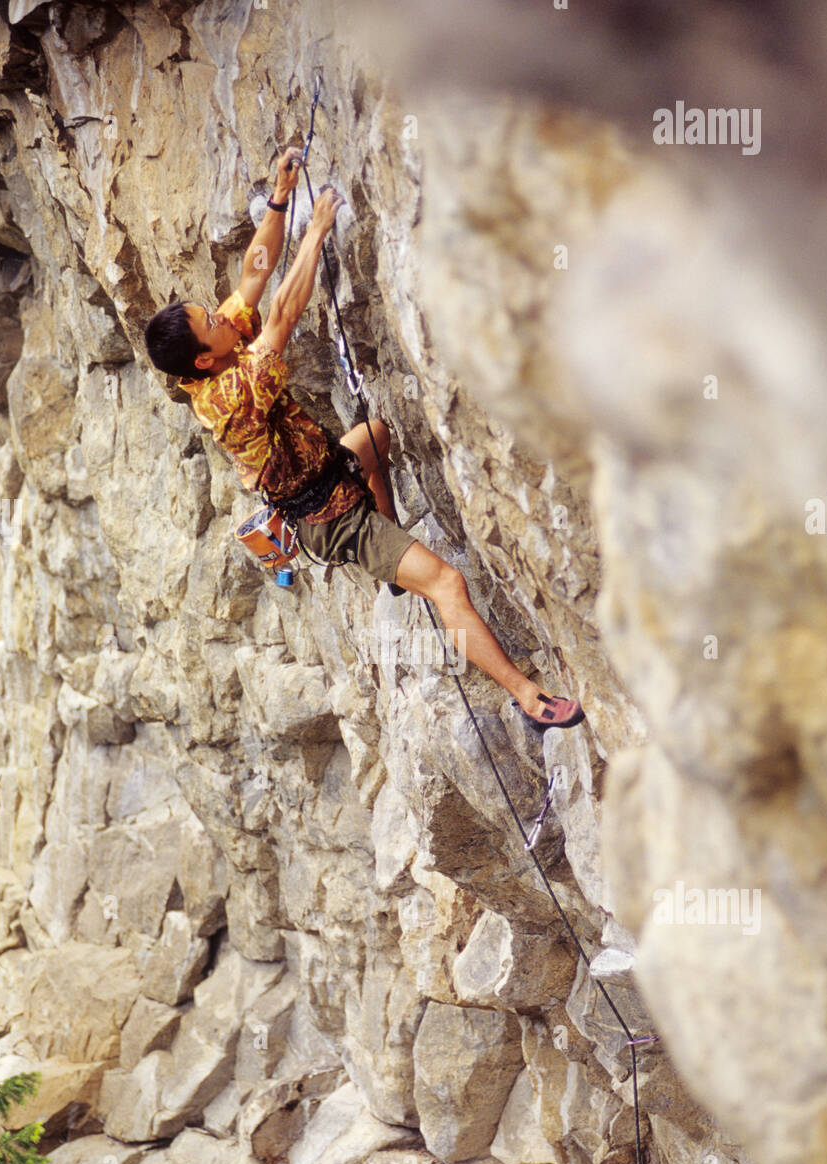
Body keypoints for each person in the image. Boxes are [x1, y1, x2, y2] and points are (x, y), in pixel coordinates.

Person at [144, 148, 584, 729]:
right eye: (212, 323)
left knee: (376, 435)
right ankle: (528, 698)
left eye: (211, 312)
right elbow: (281, 312)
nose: (222, 317)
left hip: (330, 468)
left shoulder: (211, 354)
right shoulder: (228, 398)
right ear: (203, 357)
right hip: (329, 520)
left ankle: (392, 551)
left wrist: (279, 199)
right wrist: (316, 232)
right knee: (447, 583)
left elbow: (254, 273)